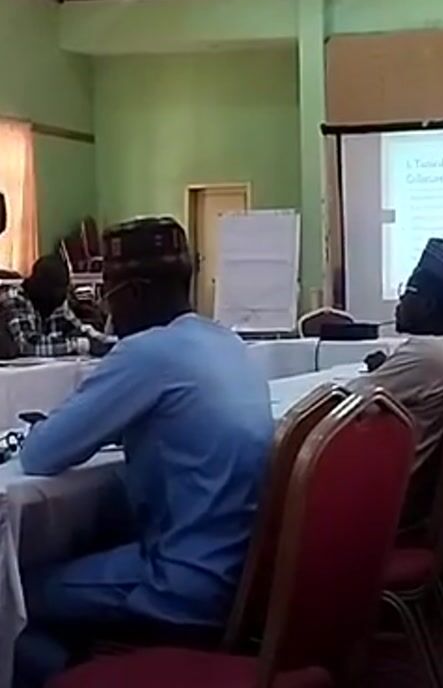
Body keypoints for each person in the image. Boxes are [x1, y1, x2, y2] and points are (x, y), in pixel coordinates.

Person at [17, 217, 274, 683]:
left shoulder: (145, 352)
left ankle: (82, 677)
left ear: (133, 293)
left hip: (182, 585)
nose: (107, 309)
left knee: (11, 596)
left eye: (109, 293)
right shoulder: (227, 343)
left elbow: (40, 454)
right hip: (241, 578)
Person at [353, 238, 443, 525]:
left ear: (427, 305)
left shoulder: (426, 354)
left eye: (407, 293)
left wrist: (379, 373)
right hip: (423, 488)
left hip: (392, 499)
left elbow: (341, 403)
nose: (400, 302)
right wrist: (388, 368)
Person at [0, 255, 110, 357]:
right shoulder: (13, 298)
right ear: (41, 285)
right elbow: (27, 345)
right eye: (59, 288)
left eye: (65, 288)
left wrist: (105, 341)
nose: (63, 294)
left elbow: (77, 328)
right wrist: (79, 345)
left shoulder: (55, 299)